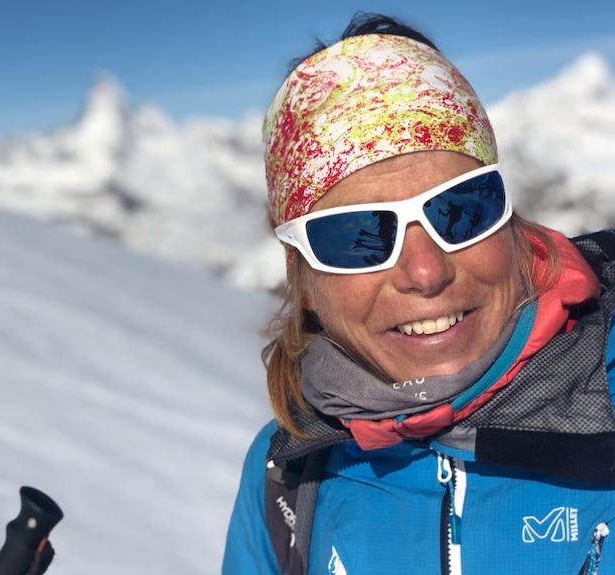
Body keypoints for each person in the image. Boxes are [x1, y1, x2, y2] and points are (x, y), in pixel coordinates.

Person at [222, 11, 615, 575]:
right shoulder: (287, 474)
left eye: (461, 210)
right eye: (358, 237)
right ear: (302, 277)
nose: (426, 272)